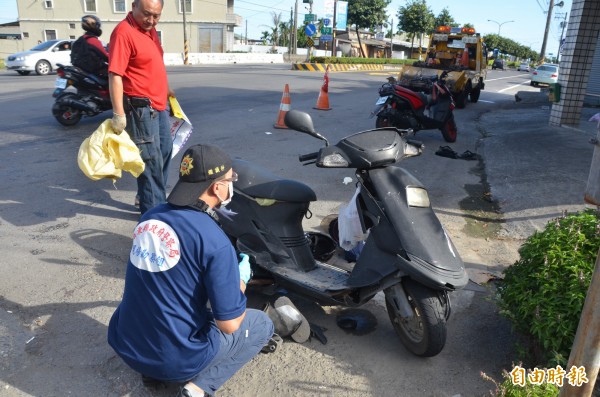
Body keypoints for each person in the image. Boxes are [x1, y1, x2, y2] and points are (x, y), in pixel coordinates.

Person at [108, 144, 274, 397]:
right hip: (174, 359)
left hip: (126, 341)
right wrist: (239, 279)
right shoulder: (215, 241)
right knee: (260, 325)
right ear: (218, 187)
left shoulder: (151, 217)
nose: (232, 184)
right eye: (232, 179)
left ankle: (153, 372)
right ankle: (197, 389)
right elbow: (229, 324)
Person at [108, 0, 173, 215]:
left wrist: (167, 89)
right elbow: (115, 75)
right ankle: (154, 218)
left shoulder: (150, 31)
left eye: (156, 16)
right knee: (150, 163)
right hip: (141, 110)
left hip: (159, 105)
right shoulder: (124, 32)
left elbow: (151, 65)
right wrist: (118, 114)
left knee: (164, 153)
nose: (151, 20)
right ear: (134, 6)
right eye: (147, 14)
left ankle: (148, 196)